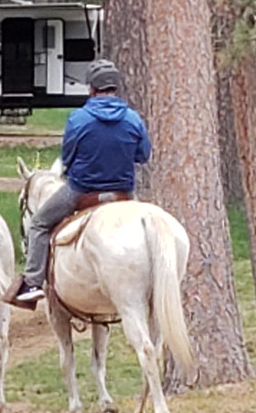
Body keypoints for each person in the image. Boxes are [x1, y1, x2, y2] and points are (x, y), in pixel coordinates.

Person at [10, 58, 151, 305]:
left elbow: (67, 157)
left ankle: (32, 283)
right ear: (115, 86)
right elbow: (143, 155)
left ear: (91, 88)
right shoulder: (133, 118)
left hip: (82, 191)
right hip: (123, 193)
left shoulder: (78, 118)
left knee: (39, 224)